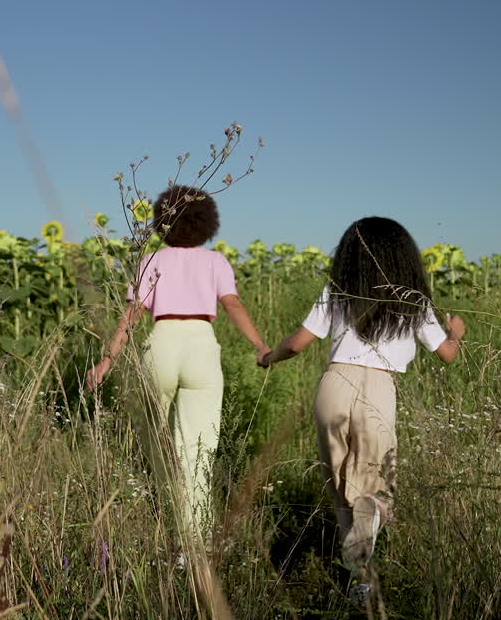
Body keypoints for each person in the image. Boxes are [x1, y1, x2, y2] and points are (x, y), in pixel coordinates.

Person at [259, 216, 465, 602]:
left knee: (339, 482)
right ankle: (361, 573)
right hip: (378, 391)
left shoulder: (337, 291)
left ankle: (357, 573)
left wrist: (269, 356)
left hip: (333, 387)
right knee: (375, 488)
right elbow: (447, 355)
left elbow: (299, 343)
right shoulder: (413, 299)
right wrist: (456, 330)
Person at [87, 184, 269, 540]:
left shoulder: (151, 260)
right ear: (207, 223)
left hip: (162, 343)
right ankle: (195, 542)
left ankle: (156, 516)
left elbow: (130, 316)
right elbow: (232, 304)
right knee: (197, 452)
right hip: (201, 346)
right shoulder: (216, 261)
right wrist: (260, 345)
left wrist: (105, 363)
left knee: (155, 442)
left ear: (161, 221)